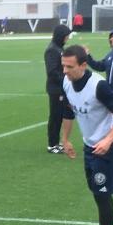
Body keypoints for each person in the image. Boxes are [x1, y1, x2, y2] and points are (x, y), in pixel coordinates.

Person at [60, 45, 113, 225]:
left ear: (83, 65)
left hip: (107, 146)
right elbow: (69, 111)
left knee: (101, 193)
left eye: (69, 67)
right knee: (96, 190)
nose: (65, 71)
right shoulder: (67, 82)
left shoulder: (98, 86)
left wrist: (108, 140)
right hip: (90, 145)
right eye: (63, 65)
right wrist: (66, 139)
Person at [44, 24, 72, 154]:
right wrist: (66, 80)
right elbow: (52, 71)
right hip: (56, 89)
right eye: (66, 36)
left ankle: (56, 142)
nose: (67, 38)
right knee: (55, 116)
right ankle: (52, 144)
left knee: (60, 116)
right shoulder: (52, 50)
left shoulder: (59, 48)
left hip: (61, 88)